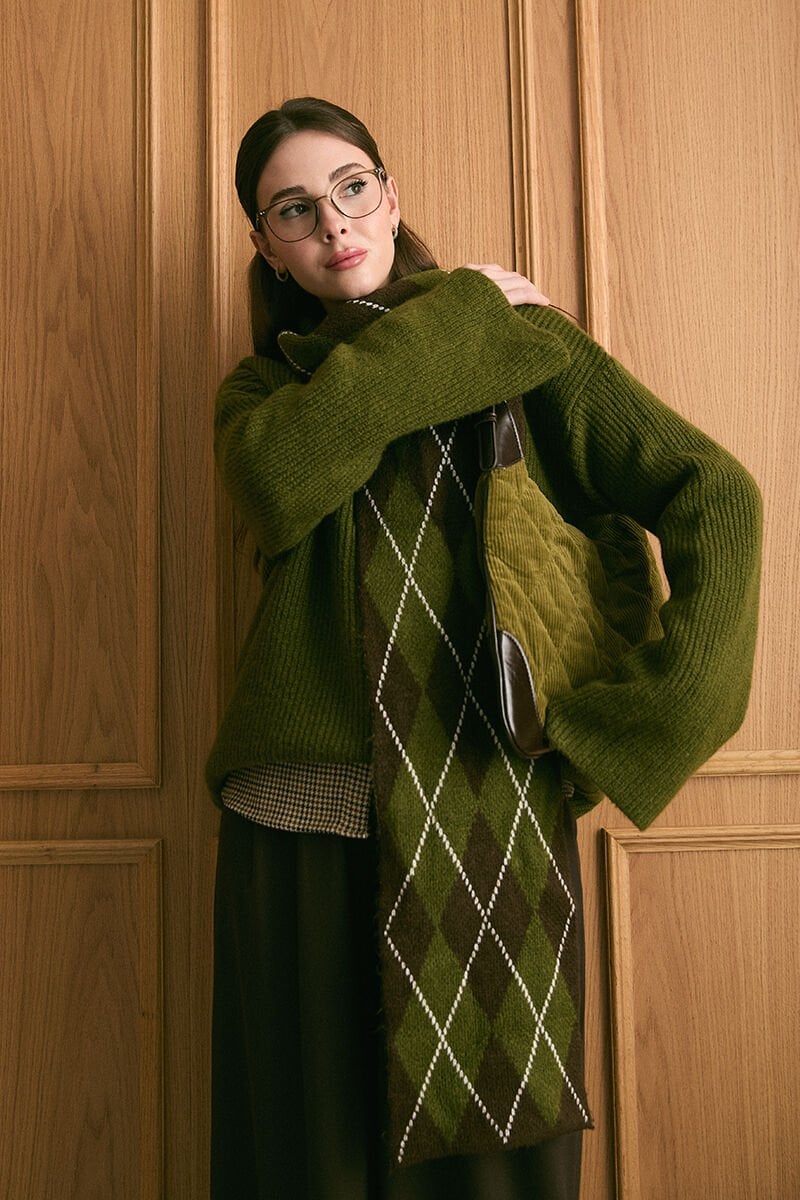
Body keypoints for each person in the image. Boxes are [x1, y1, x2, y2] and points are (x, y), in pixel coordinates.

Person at [207, 97, 762, 1200]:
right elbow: (280, 476)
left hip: (487, 796)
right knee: (311, 1152)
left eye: (351, 187)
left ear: (390, 193)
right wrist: (452, 315)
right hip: (301, 817)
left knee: (497, 1159)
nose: (333, 223)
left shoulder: (525, 346)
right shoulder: (267, 390)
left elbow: (717, 493)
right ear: (266, 245)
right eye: (294, 209)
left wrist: (654, 717)